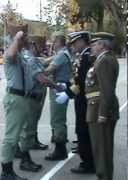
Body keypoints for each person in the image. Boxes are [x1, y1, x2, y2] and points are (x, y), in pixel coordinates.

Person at [0, 26, 62, 180]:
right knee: (12, 137)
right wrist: (17, 37)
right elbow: (11, 55)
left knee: (20, 134)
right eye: (24, 38)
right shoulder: (12, 53)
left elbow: (38, 69)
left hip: (23, 98)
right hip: (15, 98)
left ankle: (18, 165)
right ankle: (6, 172)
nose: (26, 40)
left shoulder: (23, 55)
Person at [57, 31, 95, 173]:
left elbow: (82, 83)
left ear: (82, 41)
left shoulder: (86, 57)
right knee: (82, 130)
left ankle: (88, 164)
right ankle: (88, 159)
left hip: (85, 100)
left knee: (83, 131)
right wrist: (66, 86)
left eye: (75, 42)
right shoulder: (83, 56)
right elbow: (76, 79)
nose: (73, 46)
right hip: (82, 99)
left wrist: (67, 93)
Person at [86, 32, 119, 180]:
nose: (92, 47)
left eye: (94, 44)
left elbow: (107, 90)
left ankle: (105, 177)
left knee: (102, 150)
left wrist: (103, 113)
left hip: (100, 109)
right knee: (99, 149)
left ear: (102, 45)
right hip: (95, 107)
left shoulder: (105, 60)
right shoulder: (101, 59)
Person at [44, 32, 72, 161]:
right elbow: (47, 61)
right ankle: (60, 145)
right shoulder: (63, 53)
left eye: (53, 42)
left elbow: (49, 70)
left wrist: (36, 72)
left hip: (59, 89)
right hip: (61, 88)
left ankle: (60, 150)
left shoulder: (61, 55)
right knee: (58, 118)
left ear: (58, 42)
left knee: (57, 119)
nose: (52, 45)